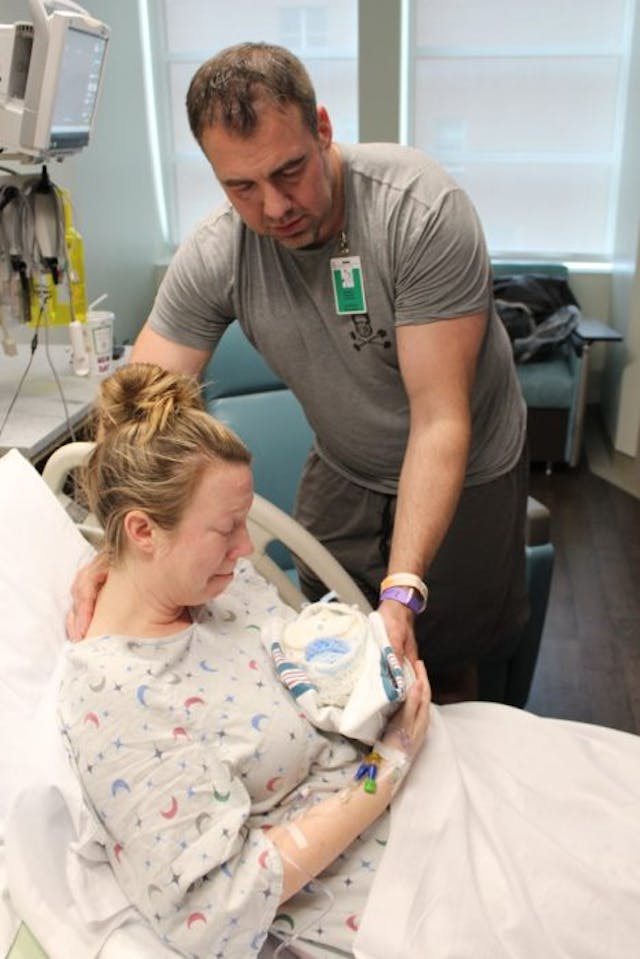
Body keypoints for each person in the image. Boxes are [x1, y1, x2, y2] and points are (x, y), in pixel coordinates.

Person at [72, 41, 529, 704]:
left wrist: (402, 591)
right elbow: (134, 412)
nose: (275, 206)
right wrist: (113, 548)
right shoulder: (219, 252)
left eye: (289, 171)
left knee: (440, 657)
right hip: (345, 461)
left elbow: (439, 421)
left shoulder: (419, 213)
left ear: (322, 130)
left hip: (463, 460)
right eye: (242, 187)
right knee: (323, 636)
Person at [58, 362, 431, 959]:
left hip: (427, 788)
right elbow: (214, 910)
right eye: (229, 527)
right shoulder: (123, 698)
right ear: (143, 531)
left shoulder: (217, 588)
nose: (249, 549)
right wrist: (385, 767)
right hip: (386, 875)